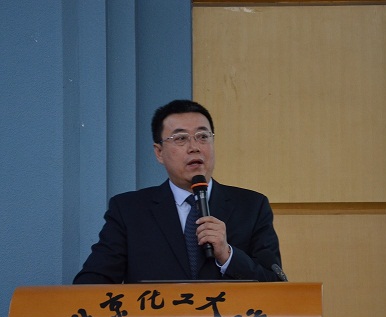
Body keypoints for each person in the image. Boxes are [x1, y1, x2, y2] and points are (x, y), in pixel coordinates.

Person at [73, 99, 282, 284]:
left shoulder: (252, 207)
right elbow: (91, 283)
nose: (194, 147)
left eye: (203, 136)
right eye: (181, 138)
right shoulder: (129, 210)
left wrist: (227, 255)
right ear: (159, 152)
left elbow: (275, 284)